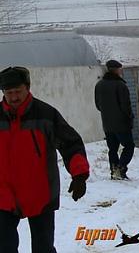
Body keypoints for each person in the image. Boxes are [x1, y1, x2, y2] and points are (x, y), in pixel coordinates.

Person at [0, 66, 90, 253]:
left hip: (40, 193)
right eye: (9, 93)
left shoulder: (46, 115)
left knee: (43, 248)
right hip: (3, 195)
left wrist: (79, 175)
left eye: (18, 91)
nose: (14, 97)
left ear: (28, 88)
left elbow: (71, 144)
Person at [94, 59, 134, 180]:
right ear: (116, 70)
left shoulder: (99, 85)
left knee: (113, 149)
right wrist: (129, 118)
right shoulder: (120, 85)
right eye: (120, 69)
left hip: (107, 123)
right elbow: (125, 106)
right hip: (121, 123)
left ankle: (114, 171)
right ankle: (121, 169)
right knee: (129, 146)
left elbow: (97, 105)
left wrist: (107, 113)